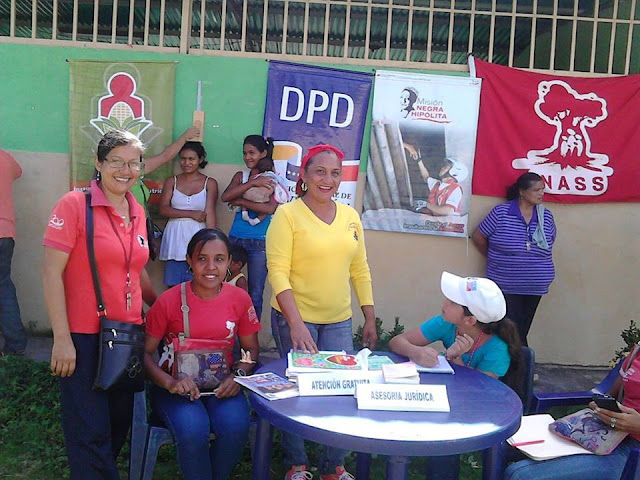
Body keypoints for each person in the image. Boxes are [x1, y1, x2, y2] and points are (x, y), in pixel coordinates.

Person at [42, 130, 154, 479]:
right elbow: (50, 273)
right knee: (89, 436)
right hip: (83, 338)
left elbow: (137, 270)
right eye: (116, 162)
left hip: (126, 338)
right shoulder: (75, 205)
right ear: (98, 163)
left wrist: (170, 305)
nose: (125, 170)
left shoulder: (137, 211)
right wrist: (62, 338)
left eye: (133, 163)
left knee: (114, 430)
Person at [266, 144, 378, 480]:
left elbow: (360, 268)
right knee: (297, 391)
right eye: (319, 171)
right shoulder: (287, 215)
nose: (327, 180)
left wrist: (369, 316)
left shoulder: (350, 216)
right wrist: (296, 324)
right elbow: (277, 271)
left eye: (334, 173)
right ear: (304, 175)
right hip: (294, 321)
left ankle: (333, 466)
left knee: (341, 391)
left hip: (339, 321)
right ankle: (297, 464)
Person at [144, 228, 260, 480]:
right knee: (193, 429)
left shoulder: (240, 299)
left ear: (229, 262)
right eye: (201, 258)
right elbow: (144, 355)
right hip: (176, 392)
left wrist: (238, 374)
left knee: (235, 427)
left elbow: (251, 350)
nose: (210, 267)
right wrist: (170, 383)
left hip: (222, 389)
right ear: (189, 260)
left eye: (219, 259)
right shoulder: (169, 300)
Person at [389, 271, 523, 480]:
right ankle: (398, 459)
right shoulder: (447, 323)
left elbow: (479, 392)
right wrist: (416, 352)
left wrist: (456, 361)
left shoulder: (498, 348)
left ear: (469, 320)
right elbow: (397, 341)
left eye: (452, 302)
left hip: (482, 409)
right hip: (448, 397)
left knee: (445, 438)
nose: (444, 302)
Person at [505, 344, 640, 480]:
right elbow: (611, 394)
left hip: (632, 451)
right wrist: (602, 406)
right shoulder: (637, 352)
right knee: (504, 447)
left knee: (521, 475)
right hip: (610, 435)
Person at [471, 172, 556, 347]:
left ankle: (518, 369)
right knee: (509, 328)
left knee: (522, 328)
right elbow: (478, 236)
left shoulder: (545, 216)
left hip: (535, 285)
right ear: (522, 192)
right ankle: (520, 369)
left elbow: (551, 240)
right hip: (506, 282)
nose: (541, 194)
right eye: (536, 190)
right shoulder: (501, 213)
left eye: (543, 190)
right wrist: (496, 259)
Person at [221, 135, 279, 321]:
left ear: (263, 153)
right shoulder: (242, 176)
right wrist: (253, 183)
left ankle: (249, 339)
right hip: (235, 237)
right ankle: (225, 333)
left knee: (255, 292)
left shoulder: (271, 177)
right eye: (245, 153)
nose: (247, 157)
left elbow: (270, 208)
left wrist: (240, 201)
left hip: (260, 241)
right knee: (224, 286)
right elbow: (226, 196)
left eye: (252, 153)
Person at [158, 142, 218, 287]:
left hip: (198, 236)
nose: (186, 163)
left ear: (201, 159)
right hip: (175, 238)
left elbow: (210, 213)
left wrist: (213, 241)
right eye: (183, 159)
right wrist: (191, 214)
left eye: (191, 159)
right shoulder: (172, 181)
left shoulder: (209, 183)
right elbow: (163, 209)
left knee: (197, 284)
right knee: (173, 286)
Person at [129, 125, 200, 208]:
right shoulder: (129, 169)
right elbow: (165, 156)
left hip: (140, 219)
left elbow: (165, 157)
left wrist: (184, 137)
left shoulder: (136, 167)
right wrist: (184, 137)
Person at [0, 149, 27, 355]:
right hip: (5, 233)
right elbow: (18, 172)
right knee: (4, 287)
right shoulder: (4, 157)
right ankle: (15, 345)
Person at [236, 156, 288, 226]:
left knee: (245, 198)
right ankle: (256, 220)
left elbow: (251, 180)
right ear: (273, 168)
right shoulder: (274, 176)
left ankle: (244, 212)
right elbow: (280, 184)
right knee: (264, 210)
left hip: (250, 193)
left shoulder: (258, 176)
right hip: (262, 197)